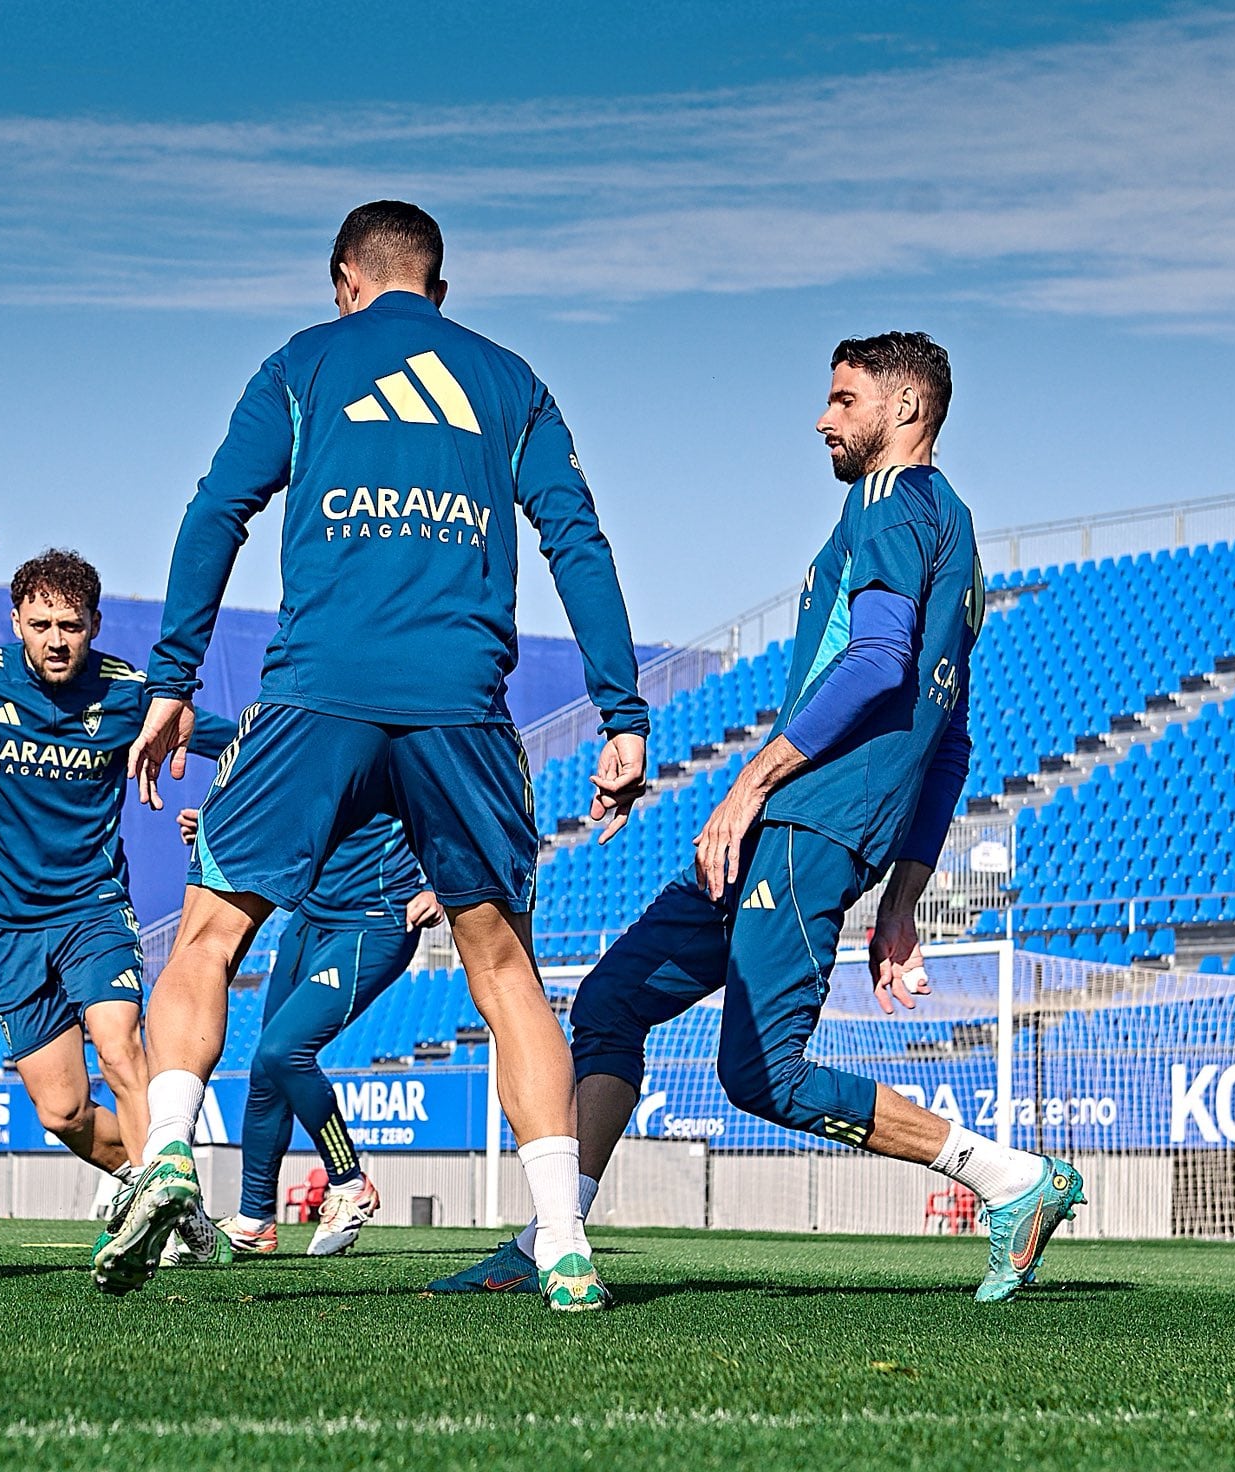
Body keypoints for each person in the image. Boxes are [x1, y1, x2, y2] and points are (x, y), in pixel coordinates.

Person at [432, 332, 1084, 1305]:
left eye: (842, 399)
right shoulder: (954, 532)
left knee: (759, 1076)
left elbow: (873, 662)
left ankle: (1010, 1180)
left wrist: (749, 784)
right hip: (817, 826)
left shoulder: (885, 502)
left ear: (903, 411)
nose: (822, 419)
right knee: (612, 1000)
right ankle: (544, 1238)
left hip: (802, 822)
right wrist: (903, 895)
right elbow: (948, 740)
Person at [94, 200, 651, 1310]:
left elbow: (216, 514)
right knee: (503, 972)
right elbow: (575, 539)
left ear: (343, 278)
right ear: (435, 289)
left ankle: (162, 1153)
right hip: (459, 704)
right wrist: (620, 712)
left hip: (316, 693)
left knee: (208, 935)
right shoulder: (508, 379)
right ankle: (562, 1239)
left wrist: (169, 681)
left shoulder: (303, 364)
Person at [0, 549, 239, 1260]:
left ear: (94, 625)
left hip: (94, 909)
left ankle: (159, 1205)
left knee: (122, 1045)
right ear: (17, 622)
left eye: (71, 625)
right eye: (41, 624)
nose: (56, 640)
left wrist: (224, 809)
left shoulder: (130, 695)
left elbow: (241, 742)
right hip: (9, 928)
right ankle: (157, 1193)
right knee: (61, 1111)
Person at [180, 808, 443, 1257]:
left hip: (374, 923)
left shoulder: (399, 740)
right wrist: (220, 823)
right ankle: (254, 1220)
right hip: (306, 922)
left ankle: (348, 1182)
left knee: (284, 1052)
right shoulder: (307, 741)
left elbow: (461, 801)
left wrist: (444, 889)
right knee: (265, 1068)